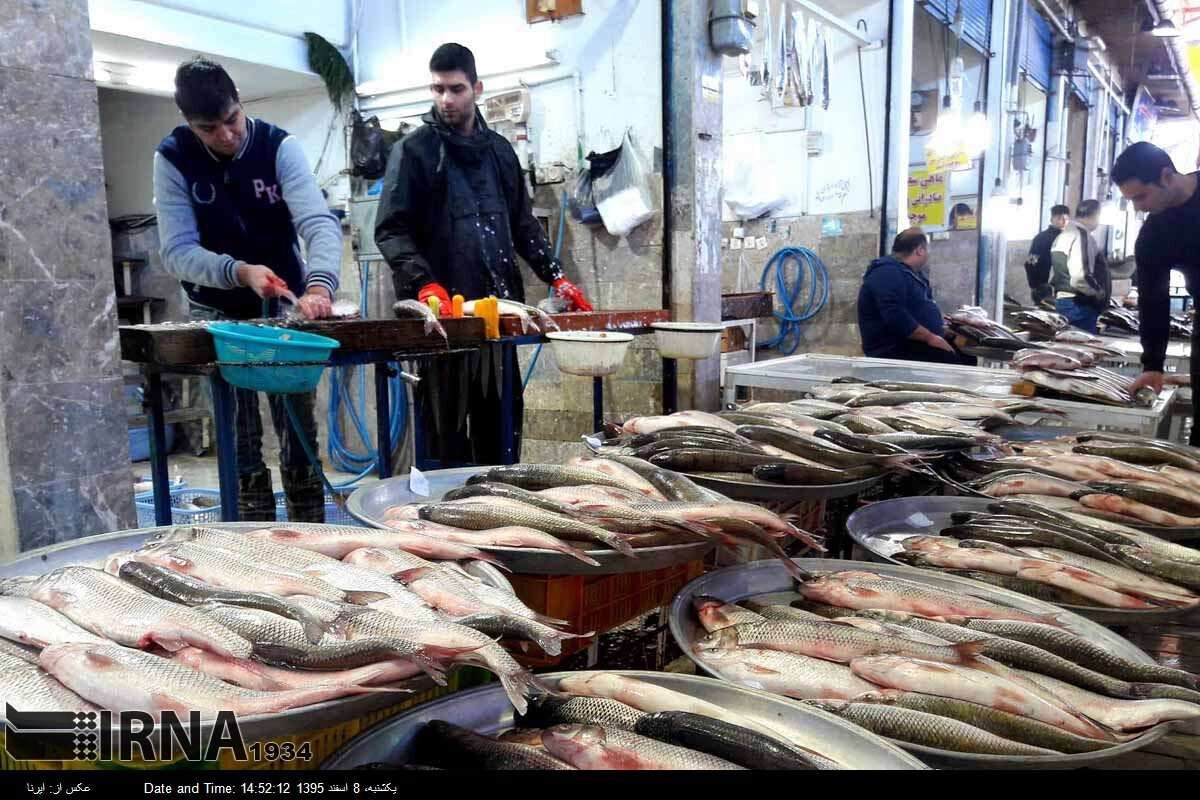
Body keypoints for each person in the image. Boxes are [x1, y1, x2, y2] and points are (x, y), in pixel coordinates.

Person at [375, 43, 592, 467]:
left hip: (496, 322)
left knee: (501, 439)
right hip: (442, 326)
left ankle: (501, 522)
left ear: (476, 88)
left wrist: (556, 275)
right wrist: (424, 282)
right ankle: (447, 526)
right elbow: (390, 229)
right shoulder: (413, 152)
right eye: (437, 89)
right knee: (445, 444)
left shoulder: (499, 152)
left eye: (455, 89)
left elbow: (522, 223)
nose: (446, 99)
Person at [154, 57, 341, 521]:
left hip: (284, 309)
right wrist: (238, 271)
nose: (226, 135)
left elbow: (318, 224)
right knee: (238, 436)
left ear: (242, 104)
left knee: (297, 431)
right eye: (209, 127)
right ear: (189, 123)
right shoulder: (174, 157)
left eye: (232, 119)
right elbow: (176, 250)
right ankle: (252, 544)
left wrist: (318, 285)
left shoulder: (280, 147)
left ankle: (312, 539)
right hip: (218, 315)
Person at [1112, 141, 1200, 443]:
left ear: (1166, 176)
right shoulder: (1154, 235)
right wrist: (1153, 365)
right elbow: (1153, 300)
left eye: (1141, 196)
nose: (1139, 207)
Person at [857, 228, 962, 364]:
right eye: (927, 249)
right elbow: (895, 315)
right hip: (893, 348)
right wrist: (931, 338)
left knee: (965, 353)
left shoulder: (911, 274)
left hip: (915, 343)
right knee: (952, 360)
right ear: (919, 250)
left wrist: (946, 330)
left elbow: (921, 307)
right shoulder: (886, 272)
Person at [1049, 199, 1110, 334]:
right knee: (1083, 350)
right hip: (1078, 304)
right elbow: (1080, 277)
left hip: (1064, 301)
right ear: (1095, 214)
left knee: (1068, 347)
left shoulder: (1063, 235)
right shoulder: (1081, 235)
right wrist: (1098, 293)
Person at [1025, 204, 1070, 307]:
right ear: (1052, 219)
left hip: (1065, 289)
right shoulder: (1041, 239)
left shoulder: (1069, 238)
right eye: (1059, 218)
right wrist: (1036, 285)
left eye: (1066, 219)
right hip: (1044, 289)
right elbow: (1030, 263)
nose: (1063, 221)